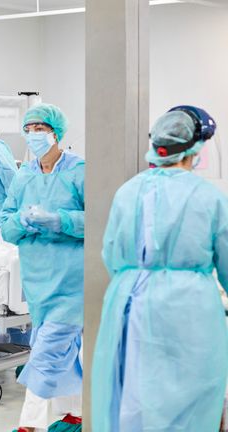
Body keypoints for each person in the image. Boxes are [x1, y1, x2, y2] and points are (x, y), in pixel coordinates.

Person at [92, 106, 227, 432]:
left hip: (127, 301)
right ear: (197, 149)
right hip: (187, 309)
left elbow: (110, 254)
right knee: (186, 399)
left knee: (132, 394)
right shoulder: (209, 196)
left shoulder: (127, 191)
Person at [0, 104, 84, 432]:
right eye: (29, 128)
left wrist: (59, 220)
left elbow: (100, 218)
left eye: (40, 128)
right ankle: (75, 414)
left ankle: (29, 425)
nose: (34, 134)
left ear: (56, 133)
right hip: (38, 282)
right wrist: (21, 221)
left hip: (71, 280)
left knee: (47, 354)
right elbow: (5, 225)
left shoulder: (79, 170)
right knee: (68, 351)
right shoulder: (24, 175)